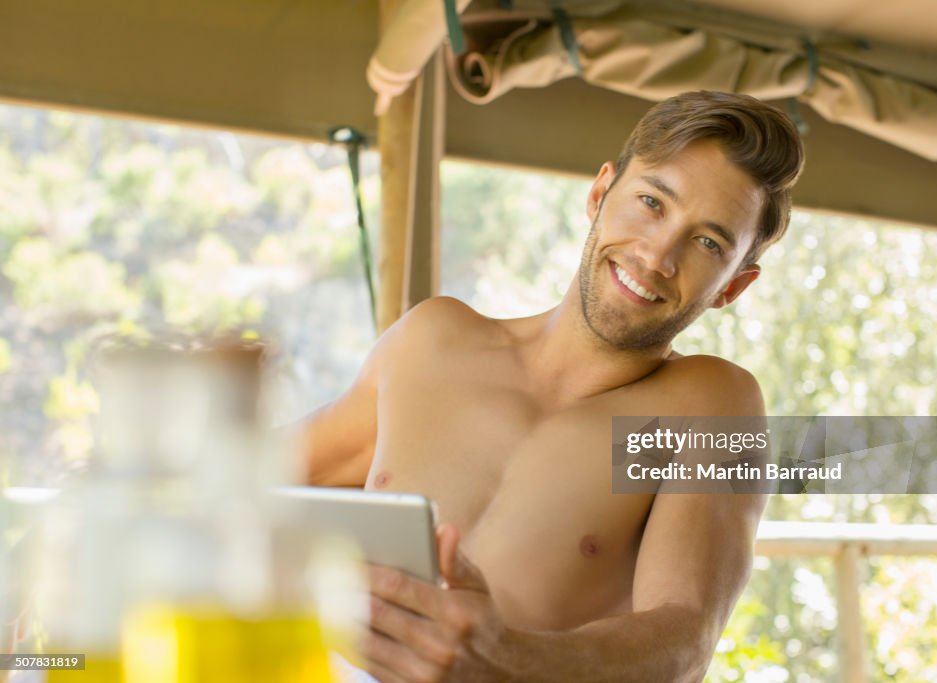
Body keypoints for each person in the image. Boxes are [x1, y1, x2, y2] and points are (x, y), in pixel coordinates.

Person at [304, 90, 804, 683]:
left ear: (733, 286)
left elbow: (683, 638)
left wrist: (502, 662)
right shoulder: (433, 343)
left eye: (707, 243)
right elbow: (242, 484)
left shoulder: (708, 406)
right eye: (651, 202)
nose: (656, 255)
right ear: (599, 193)